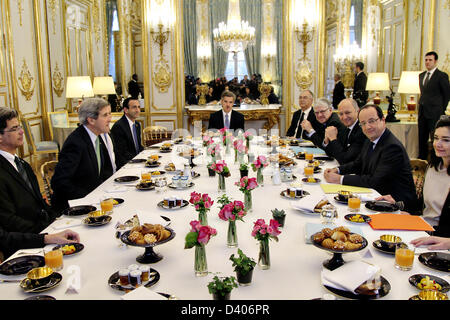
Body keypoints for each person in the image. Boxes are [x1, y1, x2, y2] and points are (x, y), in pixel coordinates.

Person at [0, 107, 80, 259]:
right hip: (24, 247)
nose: (21, 132)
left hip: (45, 232)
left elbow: (40, 205)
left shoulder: (22, 164)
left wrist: (59, 221)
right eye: (14, 128)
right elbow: (9, 222)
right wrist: (46, 235)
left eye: (20, 127)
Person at [324, 104, 417, 206]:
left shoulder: (392, 147)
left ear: (383, 120)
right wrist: (337, 170)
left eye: (371, 121)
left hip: (398, 204)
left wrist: (339, 179)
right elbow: (358, 164)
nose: (367, 127)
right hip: (376, 197)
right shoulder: (370, 139)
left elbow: (375, 182)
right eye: (363, 123)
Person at [376, 115, 450, 237]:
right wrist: (397, 203)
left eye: (446, 140)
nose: (438, 144)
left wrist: (421, 227)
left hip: (438, 237)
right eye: (436, 138)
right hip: (422, 227)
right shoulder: (433, 168)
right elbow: (422, 205)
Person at [51, 98, 116, 211]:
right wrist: (88, 198)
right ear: (91, 120)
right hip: (73, 207)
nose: (110, 119)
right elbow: (59, 182)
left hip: (93, 200)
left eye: (109, 114)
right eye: (105, 115)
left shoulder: (97, 138)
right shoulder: (75, 143)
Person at [418, 51, 450, 160]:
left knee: (435, 140)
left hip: (435, 114)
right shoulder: (421, 76)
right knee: (421, 139)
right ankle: (421, 162)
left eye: (430, 60)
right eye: (426, 60)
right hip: (422, 113)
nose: (427, 62)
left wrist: (441, 110)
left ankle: (435, 162)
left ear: (435, 61)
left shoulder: (442, 76)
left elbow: (446, 95)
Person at [323, 98, 368, 164]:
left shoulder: (362, 130)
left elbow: (345, 160)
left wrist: (333, 139)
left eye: (347, 113)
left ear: (357, 111)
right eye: (341, 114)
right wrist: (326, 140)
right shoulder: (344, 127)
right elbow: (332, 154)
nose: (344, 117)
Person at [110, 97, 144, 169]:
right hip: (126, 165)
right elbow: (122, 152)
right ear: (126, 110)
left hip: (137, 161)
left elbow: (138, 147)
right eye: (134, 107)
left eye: (138, 107)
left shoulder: (137, 124)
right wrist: (140, 161)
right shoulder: (119, 126)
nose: (138, 110)